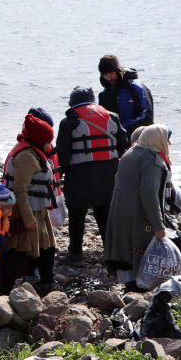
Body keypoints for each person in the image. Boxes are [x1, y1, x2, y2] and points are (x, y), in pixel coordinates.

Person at [55, 86, 128, 265]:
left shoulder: (69, 121)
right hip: (109, 173)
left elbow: (63, 154)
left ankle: (76, 254)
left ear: (73, 102)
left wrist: (60, 174)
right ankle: (110, 252)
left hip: (79, 174)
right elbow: (123, 144)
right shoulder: (112, 116)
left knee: (77, 214)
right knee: (104, 213)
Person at [105, 125, 180, 290]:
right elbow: (149, 193)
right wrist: (158, 225)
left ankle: (129, 290)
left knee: (124, 255)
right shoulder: (152, 160)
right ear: (158, 140)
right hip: (138, 216)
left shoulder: (129, 154)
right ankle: (139, 294)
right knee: (141, 256)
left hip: (118, 213)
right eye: (166, 139)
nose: (168, 143)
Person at [0, 113, 59, 295]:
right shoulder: (27, 156)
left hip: (39, 210)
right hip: (25, 211)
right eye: (49, 140)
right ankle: (2, 293)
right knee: (19, 251)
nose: (51, 144)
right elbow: (20, 190)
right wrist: (27, 218)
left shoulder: (35, 152)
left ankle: (47, 286)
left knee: (47, 248)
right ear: (39, 140)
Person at [97, 54, 153, 137]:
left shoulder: (136, 88)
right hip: (116, 141)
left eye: (111, 73)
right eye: (105, 74)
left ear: (118, 70)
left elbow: (147, 117)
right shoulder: (104, 95)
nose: (109, 77)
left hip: (140, 139)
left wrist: (123, 128)